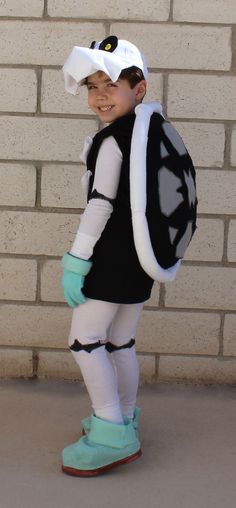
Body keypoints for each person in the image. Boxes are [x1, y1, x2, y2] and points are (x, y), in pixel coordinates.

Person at [61, 36, 197, 477]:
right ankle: (125, 415)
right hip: (144, 258)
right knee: (120, 341)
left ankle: (110, 432)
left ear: (138, 89)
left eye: (111, 84)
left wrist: (76, 259)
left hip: (112, 260)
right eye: (92, 86)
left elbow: (99, 203)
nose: (100, 95)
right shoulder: (148, 133)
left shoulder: (112, 142)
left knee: (85, 341)